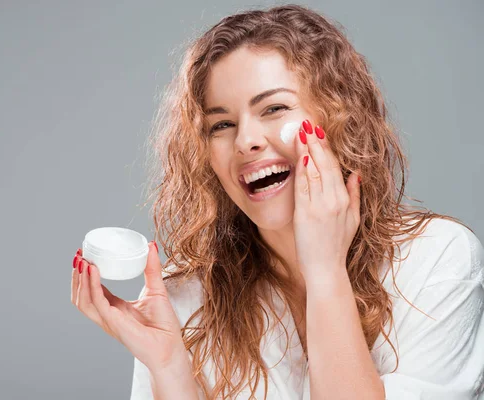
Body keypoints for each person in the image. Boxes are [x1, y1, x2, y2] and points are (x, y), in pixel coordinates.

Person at [70, 4, 484, 399]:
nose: (246, 140)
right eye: (222, 124)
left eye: (274, 108)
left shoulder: (437, 261)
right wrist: (169, 368)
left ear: (340, 116)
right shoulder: (182, 295)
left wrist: (325, 271)